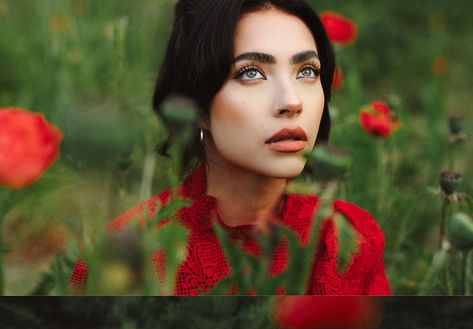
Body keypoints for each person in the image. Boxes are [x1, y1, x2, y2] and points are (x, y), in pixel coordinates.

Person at [69, 0, 390, 295]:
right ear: (198, 105)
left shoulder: (349, 238)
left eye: (307, 71)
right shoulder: (130, 251)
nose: (291, 101)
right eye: (251, 73)